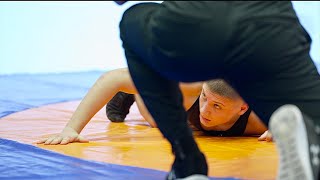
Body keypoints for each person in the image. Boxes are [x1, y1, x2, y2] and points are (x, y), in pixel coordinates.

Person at [116, 1, 320, 180]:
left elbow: (114, 79)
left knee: (131, 20)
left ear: (242, 108)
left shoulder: (189, 89)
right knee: (311, 123)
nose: (205, 111)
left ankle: (187, 164)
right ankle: (311, 136)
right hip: (275, 30)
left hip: (198, 28)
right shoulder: (200, 94)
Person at [105, 71, 268, 138]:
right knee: (158, 121)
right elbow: (114, 77)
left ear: (242, 109)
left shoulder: (258, 119)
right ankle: (135, 90)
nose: (205, 112)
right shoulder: (193, 89)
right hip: (191, 83)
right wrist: (77, 126)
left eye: (217, 106)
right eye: (205, 99)